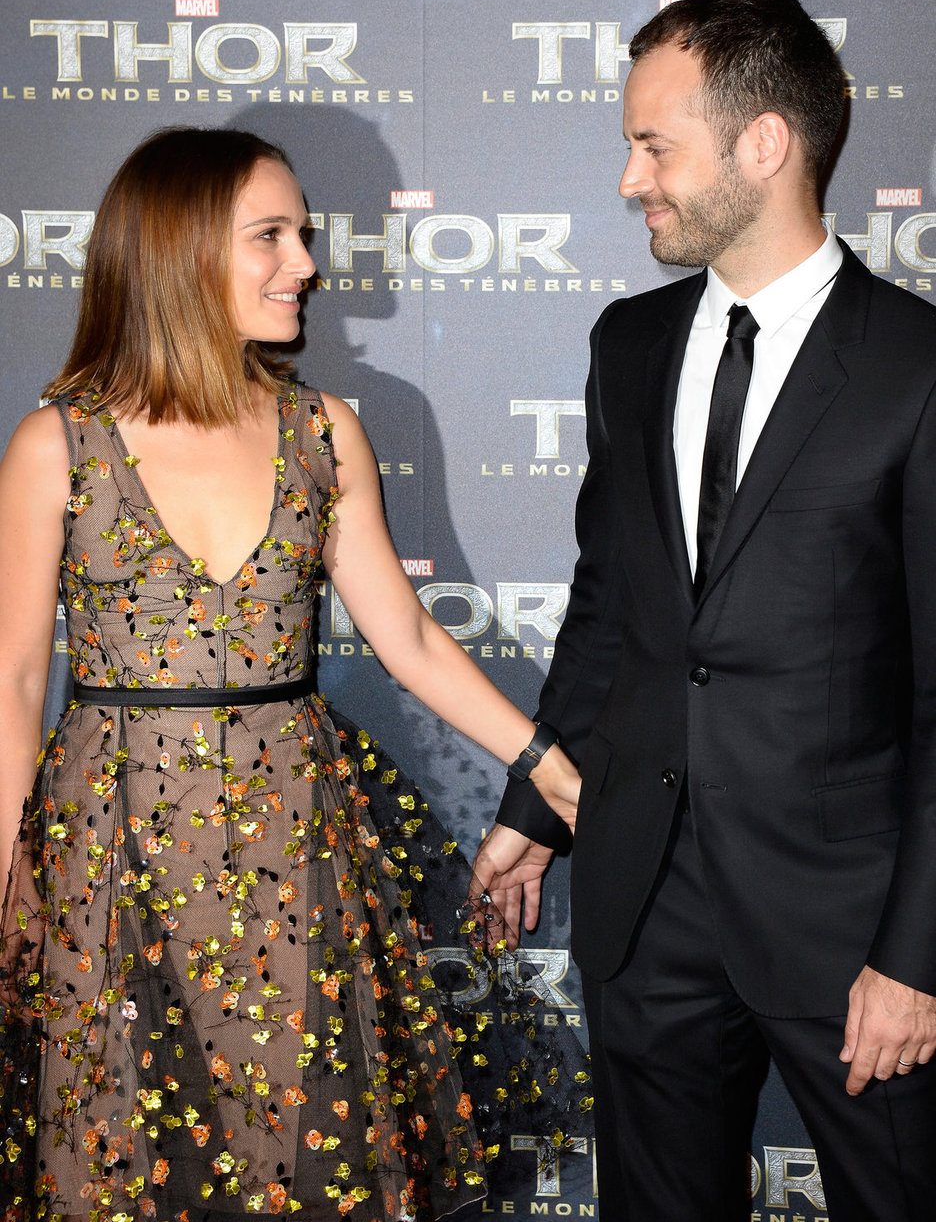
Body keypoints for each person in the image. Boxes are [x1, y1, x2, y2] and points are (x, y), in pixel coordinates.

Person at [0, 126, 584, 1222]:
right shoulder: (58, 447)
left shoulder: (323, 430)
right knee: (112, 1160)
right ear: (176, 252)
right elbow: (11, 684)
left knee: (303, 1163)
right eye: (271, 236)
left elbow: (407, 639)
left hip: (291, 850)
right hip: (108, 864)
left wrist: (546, 765)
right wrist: (7, 905)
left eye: (303, 236)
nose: (308, 265)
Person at [473, 0, 936, 1221]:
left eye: (653, 145)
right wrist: (537, 803)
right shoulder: (627, 345)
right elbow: (609, 610)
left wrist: (916, 958)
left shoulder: (917, 368)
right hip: (645, 902)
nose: (631, 181)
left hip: (850, 931)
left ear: (764, 144)